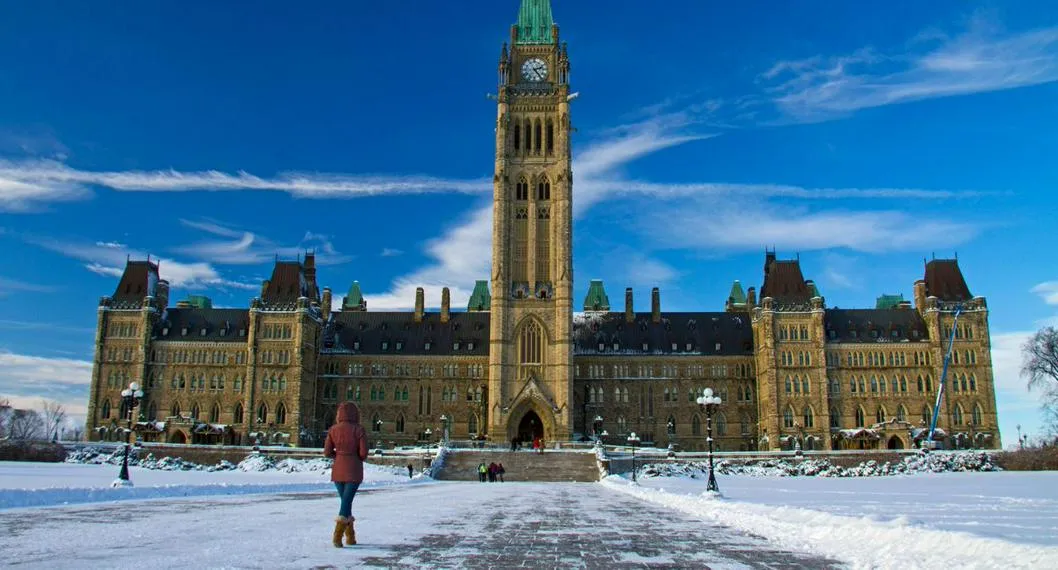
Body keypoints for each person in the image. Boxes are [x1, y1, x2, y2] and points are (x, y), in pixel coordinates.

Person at [324, 401, 368, 548]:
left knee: (345, 502)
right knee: (346, 503)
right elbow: (363, 453)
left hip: (338, 470)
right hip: (354, 470)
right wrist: (355, 456)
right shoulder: (359, 429)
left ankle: (351, 537)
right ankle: (337, 537)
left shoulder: (333, 430)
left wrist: (338, 455)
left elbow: (327, 452)